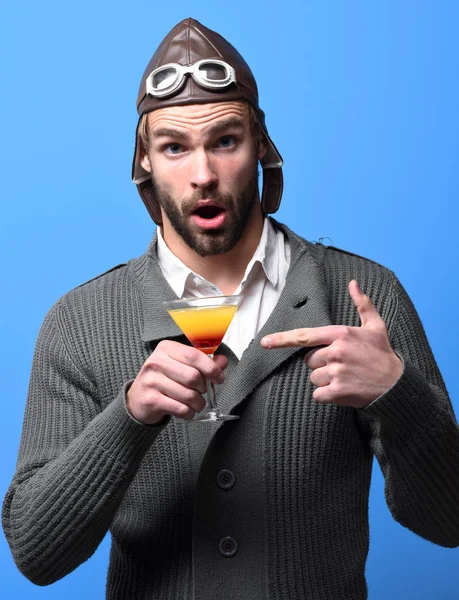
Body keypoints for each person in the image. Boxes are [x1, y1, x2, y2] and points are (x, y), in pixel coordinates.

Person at [3, 17, 459, 600]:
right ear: (144, 161)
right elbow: (36, 555)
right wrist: (129, 418)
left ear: (261, 146)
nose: (203, 176)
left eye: (225, 141)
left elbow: (448, 523)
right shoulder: (80, 322)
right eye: (175, 147)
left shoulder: (364, 296)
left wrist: (398, 394)